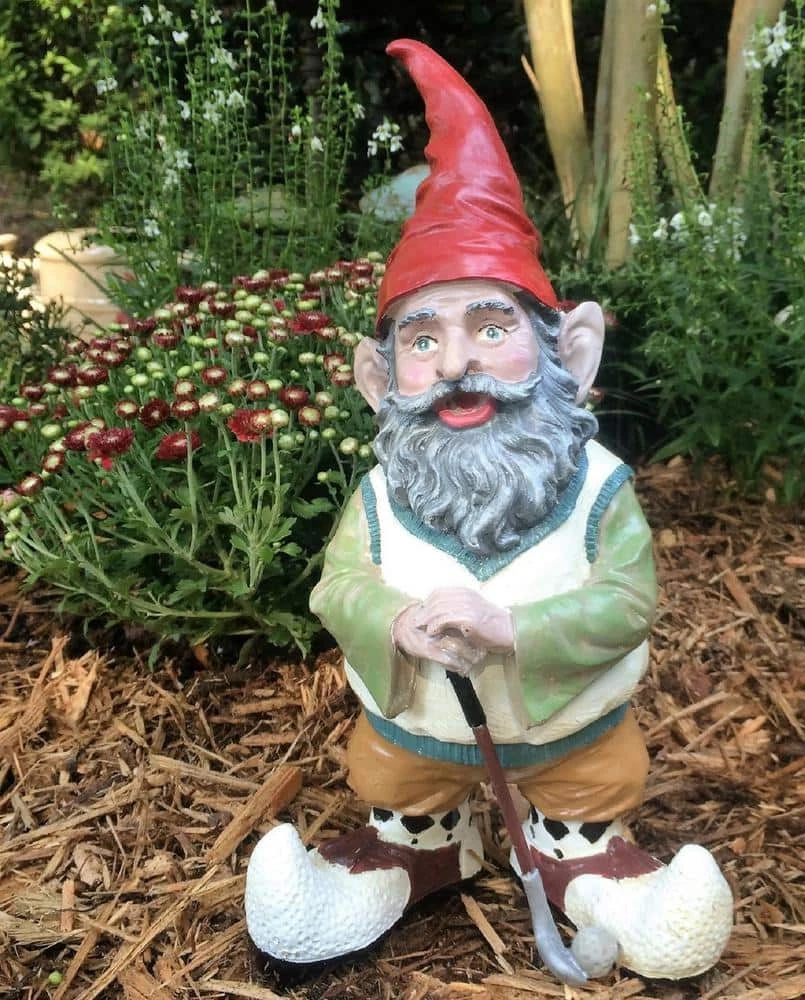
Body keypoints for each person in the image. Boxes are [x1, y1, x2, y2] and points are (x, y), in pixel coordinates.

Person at [244, 38, 733, 980]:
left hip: (567, 742)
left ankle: (580, 857)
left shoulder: (598, 491)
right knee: (399, 785)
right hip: (417, 739)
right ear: (379, 379)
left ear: (570, 355)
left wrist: (513, 629)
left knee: (585, 791)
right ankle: (413, 846)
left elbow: (627, 603)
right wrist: (397, 623)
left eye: (492, 327)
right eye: (424, 340)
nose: (458, 364)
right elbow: (337, 587)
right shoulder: (381, 494)